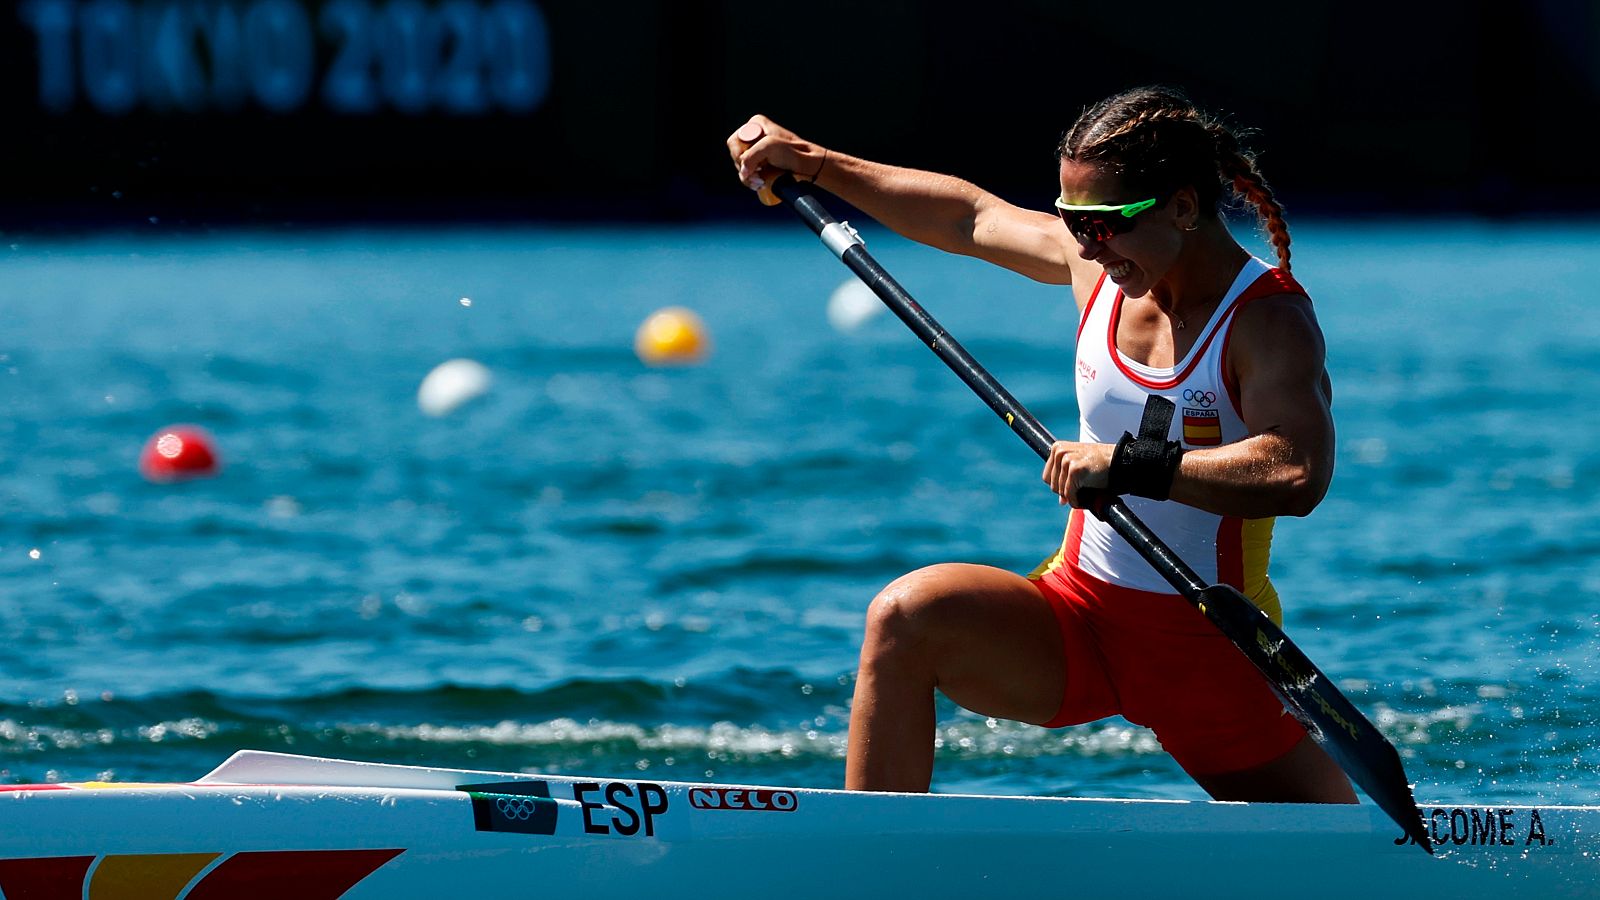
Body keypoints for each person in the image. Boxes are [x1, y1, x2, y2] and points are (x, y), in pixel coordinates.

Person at [725, 85, 1357, 804]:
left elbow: (1299, 470)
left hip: (1207, 653)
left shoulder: (1268, 322)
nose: (1084, 244)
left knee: (1343, 853)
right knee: (906, 617)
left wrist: (1126, 465)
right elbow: (971, 216)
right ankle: (877, 852)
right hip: (1079, 619)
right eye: (1071, 220)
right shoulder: (1103, 265)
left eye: (1105, 224)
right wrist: (814, 163)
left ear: (1183, 208)